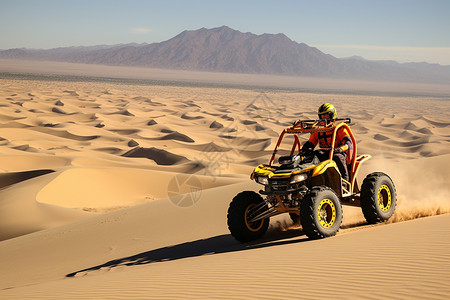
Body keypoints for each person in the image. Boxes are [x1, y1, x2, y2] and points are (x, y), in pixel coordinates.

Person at [300, 103, 353, 182]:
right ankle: (310, 179)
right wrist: (304, 149)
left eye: (326, 115)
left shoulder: (340, 128)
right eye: (322, 115)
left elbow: (348, 143)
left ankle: (344, 181)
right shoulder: (319, 130)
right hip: (325, 152)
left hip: (339, 152)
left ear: (332, 115)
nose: (324, 117)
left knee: (338, 157)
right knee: (313, 156)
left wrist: (341, 148)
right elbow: (311, 142)